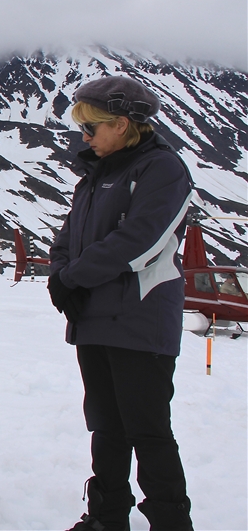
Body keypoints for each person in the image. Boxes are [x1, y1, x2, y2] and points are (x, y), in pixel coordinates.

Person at [48, 75, 194, 531]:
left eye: (92, 127)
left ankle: (170, 523)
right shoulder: (94, 175)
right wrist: (60, 276)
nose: (85, 137)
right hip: (94, 319)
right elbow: (68, 236)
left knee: (147, 431)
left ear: (124, 124)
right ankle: (107, 518)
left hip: (139, 319)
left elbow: (138, 241)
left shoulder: (162, 170)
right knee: (107, 428)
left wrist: (72, 277)